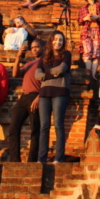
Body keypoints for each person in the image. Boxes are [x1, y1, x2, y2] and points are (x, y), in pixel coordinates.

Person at [35, 31, 72, 163]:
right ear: (51, 41)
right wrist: (51, 74)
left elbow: (62, 69)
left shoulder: (66, 54)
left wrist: (46, 74)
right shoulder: (44, 57)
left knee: (58, 125)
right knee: (44, 126)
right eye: (56, 39)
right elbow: (37, 74)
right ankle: (41, 158)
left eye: (61, 40)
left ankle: (59, 157)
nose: (58, 42)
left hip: (60, 92)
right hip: (45, 93)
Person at [8, 39, 45, 163]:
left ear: (43, 48)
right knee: (13, 126)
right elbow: (15, 73)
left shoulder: (46, 62)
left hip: (36, 96)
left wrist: (39, 97)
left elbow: (48, 82)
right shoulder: (29, 64)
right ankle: (14, 159)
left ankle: (32, 161)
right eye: (32, 47)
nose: (34, 49)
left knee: (35, 128)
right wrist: (18, 56)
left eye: (37, 47)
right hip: (24, 97)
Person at [78, 0, 100, 80]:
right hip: (87, 31)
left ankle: (93, 75)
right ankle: (88, 74)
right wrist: (85, 18)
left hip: (98, 32)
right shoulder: (83, 8)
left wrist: (97, 17)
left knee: (96, 54)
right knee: (87, 53)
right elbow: (79, 21)